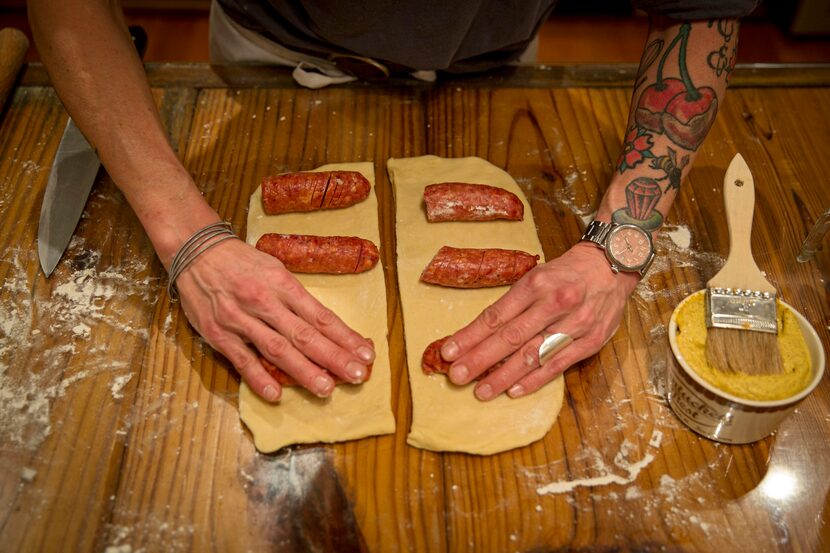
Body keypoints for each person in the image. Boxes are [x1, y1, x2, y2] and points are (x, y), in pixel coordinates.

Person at [28, 0, 759, 404]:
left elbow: (700, 8)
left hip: (491, 72)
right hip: (265, 58)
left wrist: (622, 240)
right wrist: (183, 233)